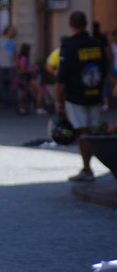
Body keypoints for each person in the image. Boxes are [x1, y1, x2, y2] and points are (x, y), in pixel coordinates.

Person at [56, 11, 108, 182]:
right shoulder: (97, 43)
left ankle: (87, 168)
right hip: (95, 93)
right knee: (92, 130)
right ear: (85, 24)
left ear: (71, 24)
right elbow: (106, 65)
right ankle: (91, 166)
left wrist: (58, 100)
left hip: (76, 95)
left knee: (82, 132)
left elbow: (62, 77)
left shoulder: (69, 46)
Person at [16, 43, 48, 116]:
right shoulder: (24, 58)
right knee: (40, 90)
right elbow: (23, 69)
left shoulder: (19, 57)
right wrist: (31, 70)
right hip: (27, 77)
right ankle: (39, 108)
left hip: (22, 77)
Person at [0, 25, 18, 106]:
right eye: (11, 30)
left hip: (11, 65)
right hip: (1, 65)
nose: (12, 32)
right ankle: (4, 100)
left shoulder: (14, 41)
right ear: (7, 31)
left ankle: (10, 100)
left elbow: (15, 54)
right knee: (1, 83)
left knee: (11, 83)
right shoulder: (0, 40)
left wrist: (16, 62)